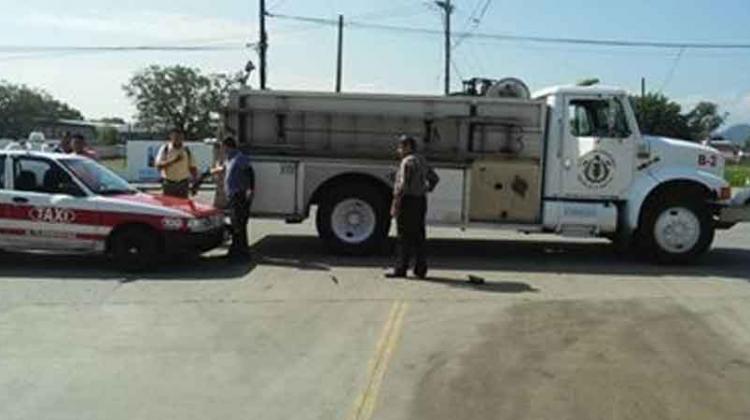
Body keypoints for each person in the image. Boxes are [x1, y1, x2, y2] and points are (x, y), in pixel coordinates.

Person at [386, 135, 439, 279]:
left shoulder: (407, 162)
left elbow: (404, 185)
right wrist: (426, 189)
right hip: (420, 200)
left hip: (407, 201)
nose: (399, 150)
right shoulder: (422, 160)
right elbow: (434, 178)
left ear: (408, 147)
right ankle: (420, 269)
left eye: (401, 147)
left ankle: (401, 269)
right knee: (419, 235)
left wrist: (396, 203)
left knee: (403, 236)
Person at [213, 137, 254, 259]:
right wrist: (209, 172)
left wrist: (250, 189)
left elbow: (249, 172)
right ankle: (236, 252)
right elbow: (222, 169)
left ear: (228, 146)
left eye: (223, 147)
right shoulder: (229, 159)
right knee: (236, 224)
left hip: (239, 195)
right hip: (232, 196)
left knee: (239, 225)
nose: (222, 149)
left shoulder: (240, 158)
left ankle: (242, 254)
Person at [155, 129, 198, 199]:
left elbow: (193, 168)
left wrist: (195, 184)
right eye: (176, 137)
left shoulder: (186, 150)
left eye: (180, 137)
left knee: (182, 207)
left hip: (183, 184)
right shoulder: (165, 149)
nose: (178, 139)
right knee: (168, 206)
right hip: (169, 184)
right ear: (171, 137)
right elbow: (158, 166)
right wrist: (173, 160)